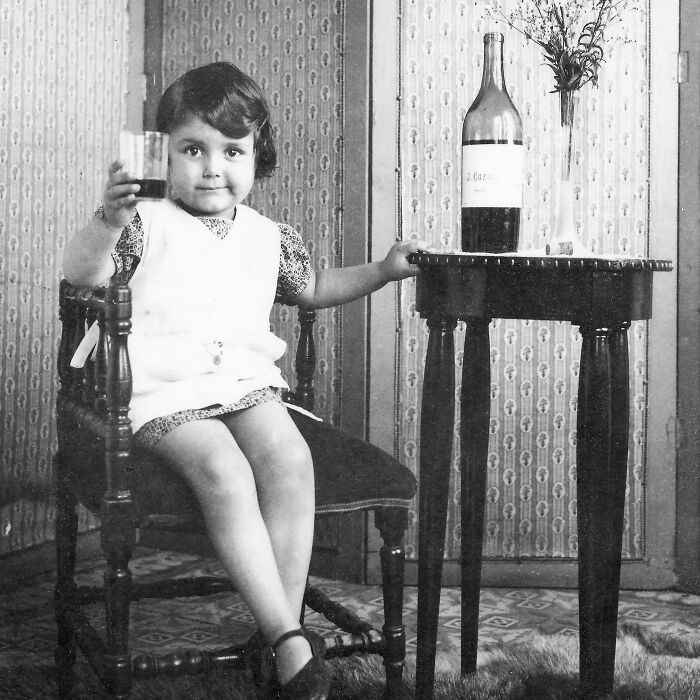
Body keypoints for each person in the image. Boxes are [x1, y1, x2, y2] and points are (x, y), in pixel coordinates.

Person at [63, 61, 431, 700]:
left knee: (289, 459)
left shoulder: (269, 237)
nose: (212, 167)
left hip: (241, 381)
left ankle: (278, 637)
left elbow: (314, 290)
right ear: (165, 155)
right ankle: (291, 640)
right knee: (225, 471)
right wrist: (106, 221)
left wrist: (382, 269)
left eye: (232, 151)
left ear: (259, 157)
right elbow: (83, 277)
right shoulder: (143, 222)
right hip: (161, 386)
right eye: (192, 150)